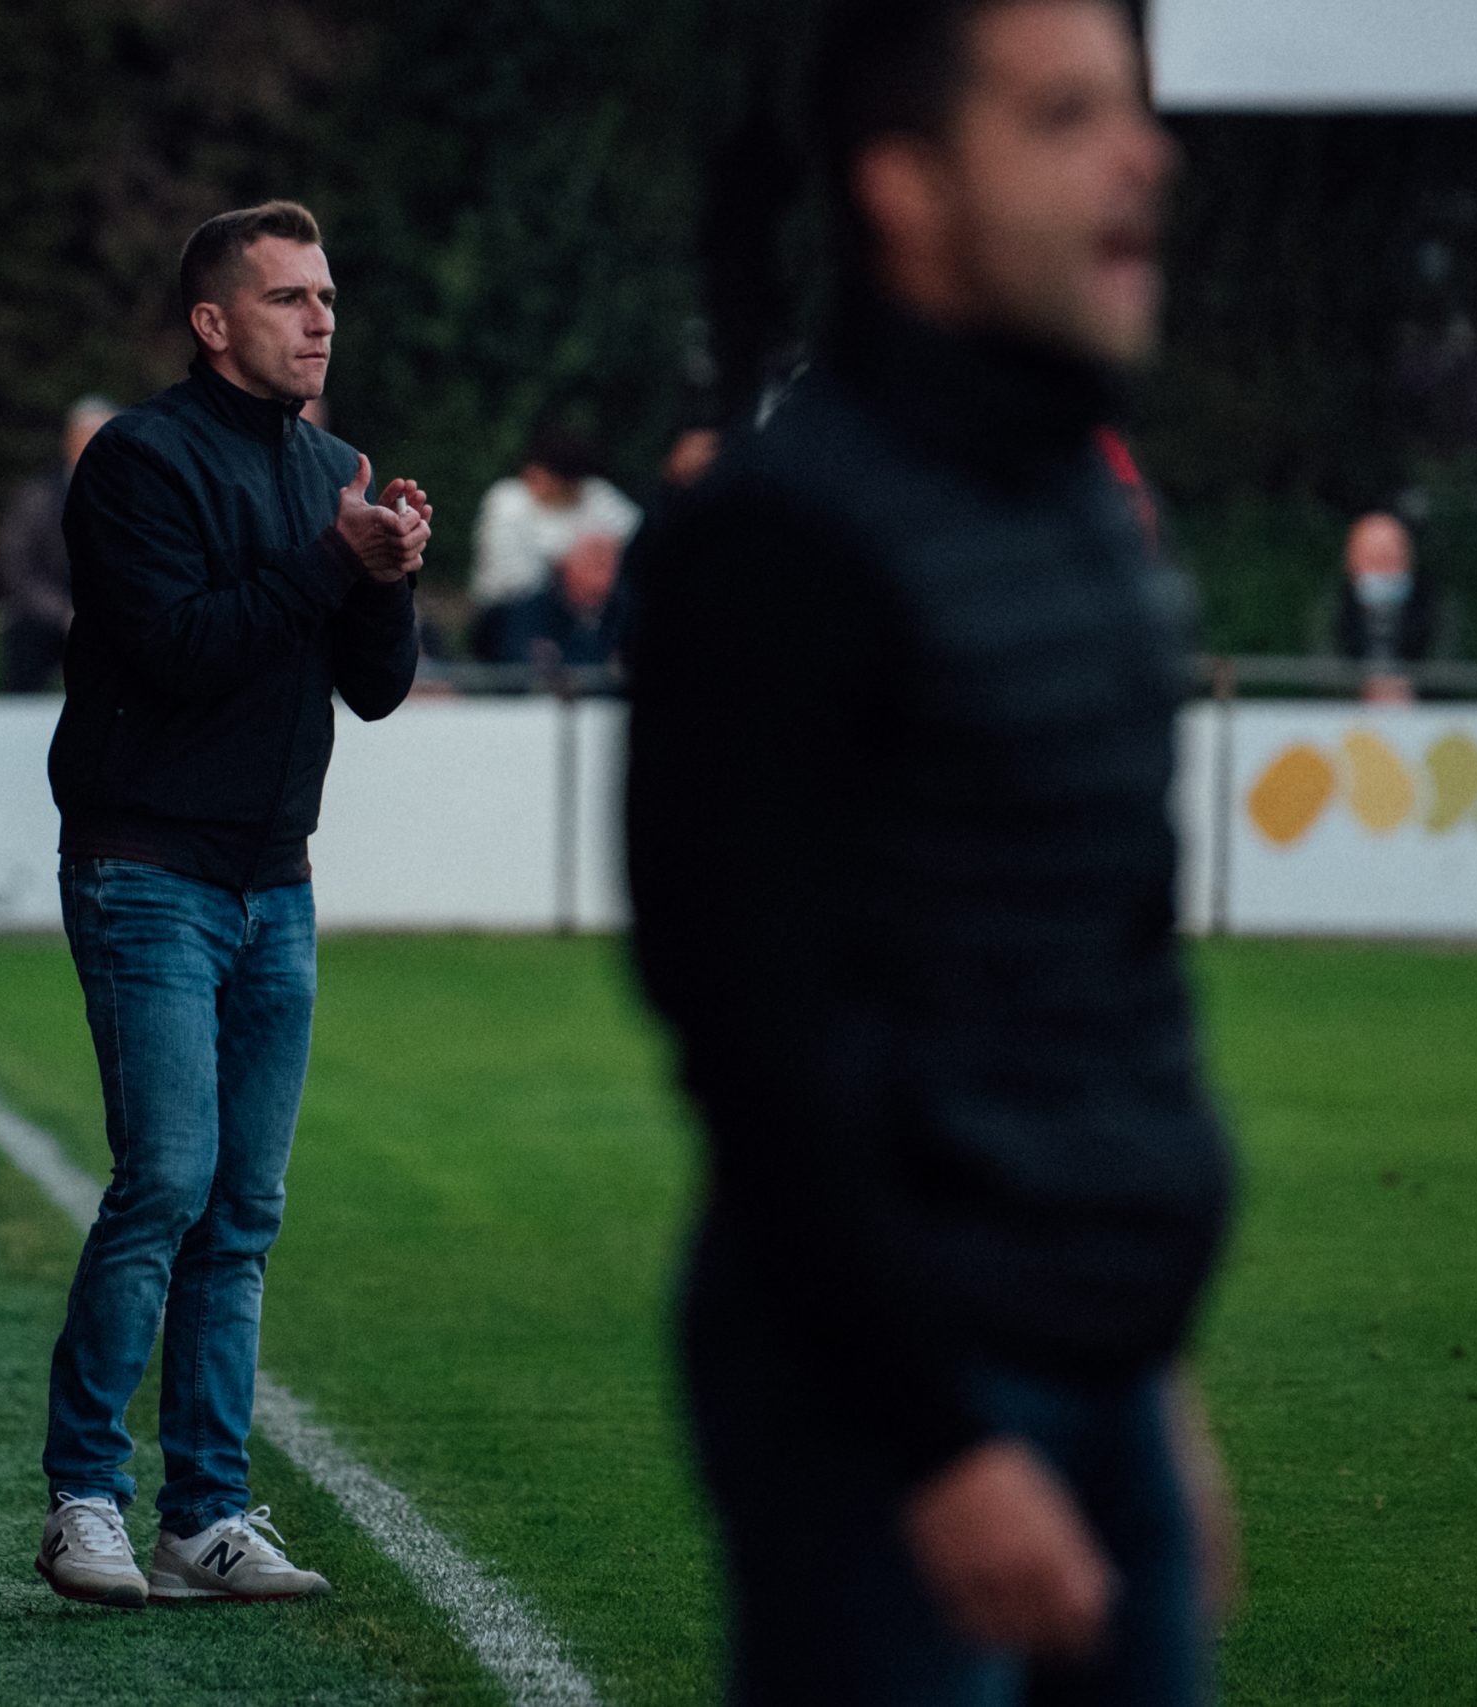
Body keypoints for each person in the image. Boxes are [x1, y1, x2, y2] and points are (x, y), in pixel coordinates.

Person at [624, 1, 1237, 1700]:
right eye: (1064, 116)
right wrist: (940, 1442)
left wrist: (1150, 1386)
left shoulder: (1082, 504)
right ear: (906, 187)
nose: (1145, 157)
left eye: (1134, 107)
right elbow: (752, 1045)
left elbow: (1105, 982)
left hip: (1102, 1377)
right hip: (896, 1418)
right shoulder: (780, 543)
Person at [35, 200, 425, 1609]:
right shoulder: (137, 461)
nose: (321, 319)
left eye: (327, 296)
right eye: (287, 297)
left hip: (277, 882)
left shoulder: (332, 465)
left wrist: (388, 578)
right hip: (148, 869)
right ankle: (86, 1498)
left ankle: (203, 1516)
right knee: (166, 1184)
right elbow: (179, 651)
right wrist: (335, 561)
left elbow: (374, 687)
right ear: (212, 322)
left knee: (242, 1211)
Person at [0, 395, 117, 691]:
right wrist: (62, 612)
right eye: (88, 437)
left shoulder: (137, 494)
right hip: (47, 612)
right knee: (26, 642)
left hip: (113, 610)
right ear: (69, 442)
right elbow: (13, 564)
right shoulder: (38, 496)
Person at [468, 420, 641, 607]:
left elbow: (638, 539)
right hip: (510, 607)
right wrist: (571, 566)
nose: (533, 478)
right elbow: (512, 581)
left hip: (590, 608)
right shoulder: (507, 500)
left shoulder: (598, 496)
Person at [1330, 511, 1442, 703]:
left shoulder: (1435, 609)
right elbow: (1323, 667)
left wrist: (1410, 686)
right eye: (1374, 559)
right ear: (1351, 559)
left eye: (1390, 558)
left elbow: (1445, 666)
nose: (1383, 569)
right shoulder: (1330, 611)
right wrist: (1361, 687)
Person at [481, 531, 626, 671]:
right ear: (565, 566)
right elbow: (515, 666)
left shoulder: (624, 615)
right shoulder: (530, 615)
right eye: (594, 564)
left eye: (608, 564)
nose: (603, 575)